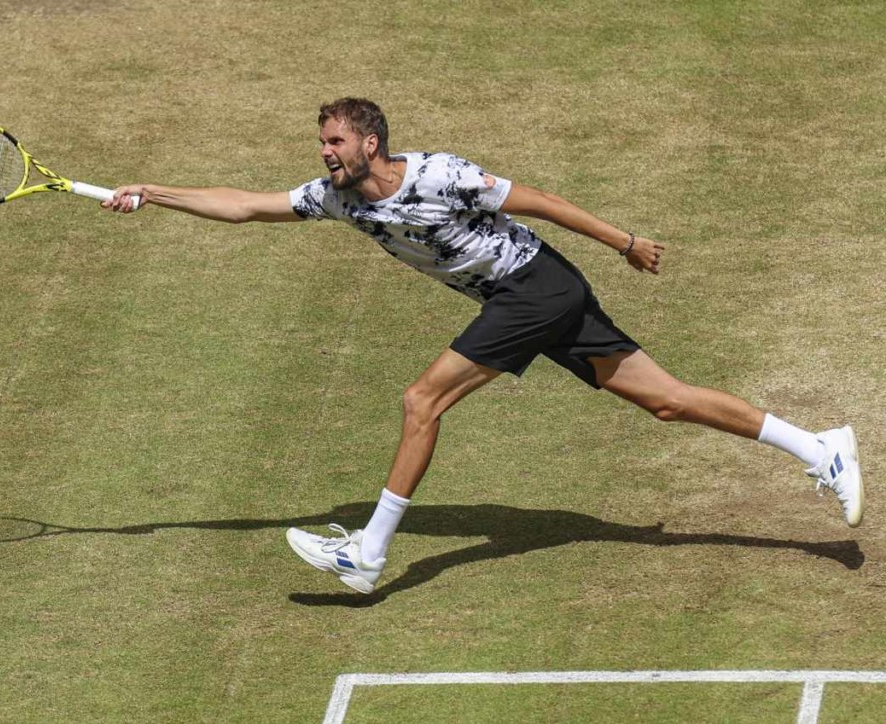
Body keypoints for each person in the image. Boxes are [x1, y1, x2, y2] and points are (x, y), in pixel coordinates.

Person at [104, 97, 865, 594]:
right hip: (534, 296)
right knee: (665, 402)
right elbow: (245, 206)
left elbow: (542, 202)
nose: (325, 151)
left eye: (335, 140)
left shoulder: (443, 174)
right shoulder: (333, 197)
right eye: (322, 142)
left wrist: (624, 241)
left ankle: (367, 554)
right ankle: (818, 447)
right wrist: (155, 191)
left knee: (420, 399)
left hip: (534, 286)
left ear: (371, 140)